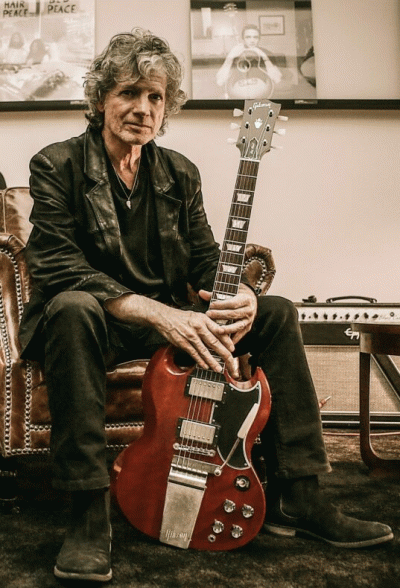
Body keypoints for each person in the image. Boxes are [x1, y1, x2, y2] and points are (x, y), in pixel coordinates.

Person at [19, 28, 393, 583]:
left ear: (166, 108)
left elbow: (203, 258)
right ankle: (88, 512)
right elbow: (55, 264)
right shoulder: (57, 164)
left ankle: (300, 495)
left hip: (170, 321)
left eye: (155, 97)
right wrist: (155, 311)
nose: (143, 108)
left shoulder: (179, 173)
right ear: (100, 99)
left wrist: (241, 293)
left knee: (278, 312)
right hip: (93, 322)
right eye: (129, 93)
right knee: (73, 307)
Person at [216, 24, 282, 97]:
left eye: (255, 37)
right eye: (248, 37)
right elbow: (220, 81)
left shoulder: (266, 53)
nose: (252, 40)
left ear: (259, 39)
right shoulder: (235, 53)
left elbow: (277, 79)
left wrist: (264, 56)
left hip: (260, 93)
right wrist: (230, 58)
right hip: (239, 91)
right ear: (243, 39)